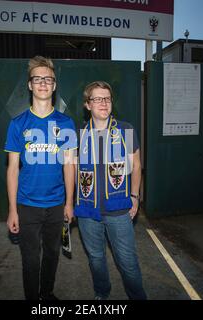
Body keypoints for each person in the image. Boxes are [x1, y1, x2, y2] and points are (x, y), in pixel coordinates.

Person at [4, 56, 77, 300]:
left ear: (54, 85)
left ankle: (47, 293)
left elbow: (69, 165)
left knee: (53, 255)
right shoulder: (17, 124)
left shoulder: (66, 122)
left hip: (56, 204)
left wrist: (69, 203)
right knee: (30, 259)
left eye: (48, 79)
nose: (43, 83)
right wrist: (12, 209)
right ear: (30, 85)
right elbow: (12, 168)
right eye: (38, 79)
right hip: (27, 205)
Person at [74, 81, 147, 300]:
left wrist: (135, 197)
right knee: (96, 259)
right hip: (88, 212)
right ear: (88, 105)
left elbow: (136, 166)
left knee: (128, 263)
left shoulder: (126, 129)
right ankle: (101, 293)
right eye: (97, 98)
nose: (103, 103)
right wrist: (69, 203)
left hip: (119, 211)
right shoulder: (78, 135)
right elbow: (72, 172)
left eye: (107, 98)